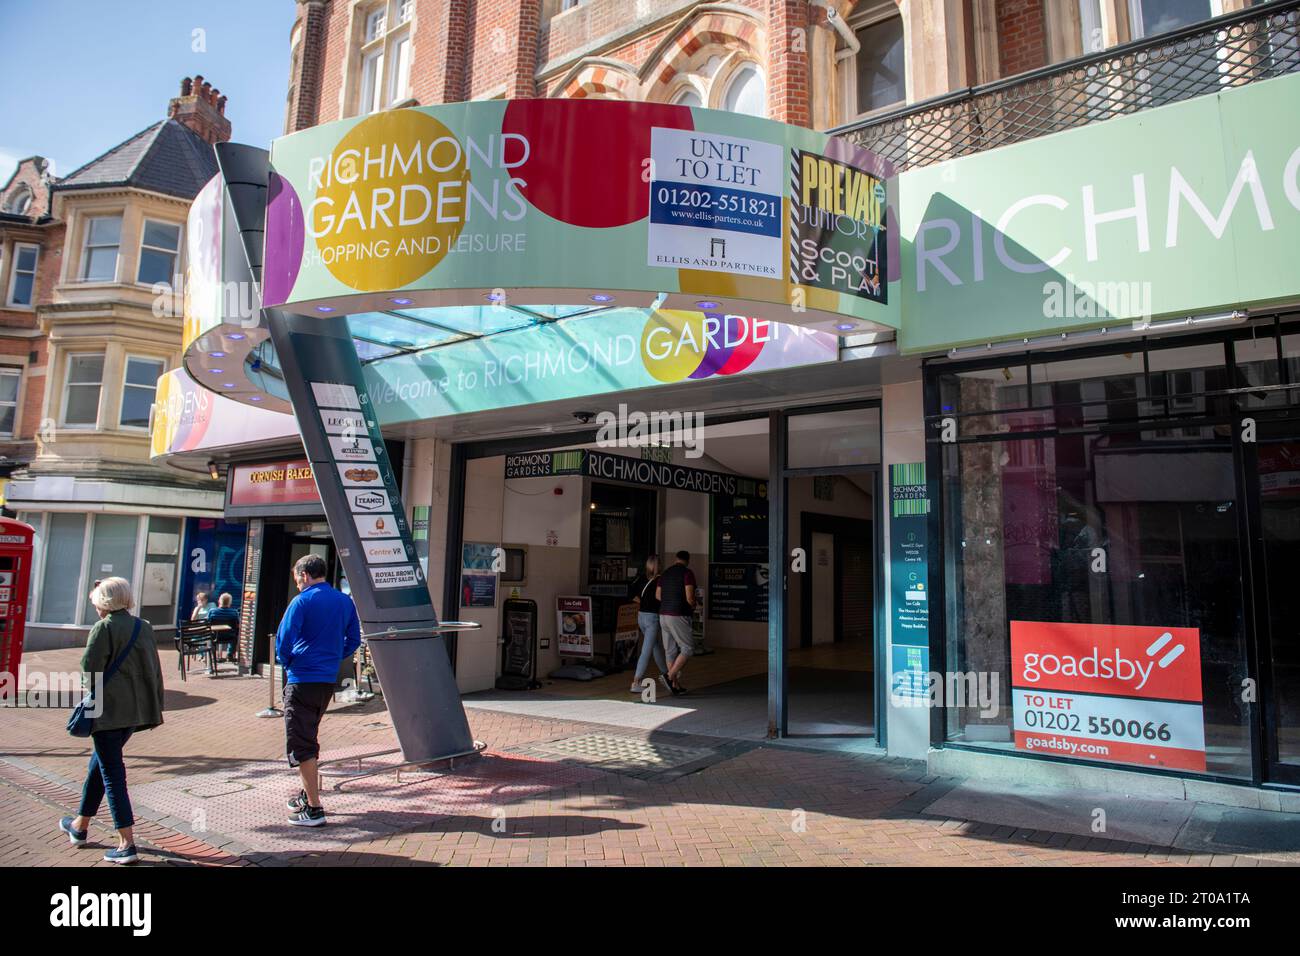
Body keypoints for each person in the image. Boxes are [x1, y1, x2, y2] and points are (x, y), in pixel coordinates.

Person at [59, 577, 165, 865]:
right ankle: (80, 826)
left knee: (112, 773)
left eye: (96, 600)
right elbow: (154, 669)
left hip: (107, 712)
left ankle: (126, 842)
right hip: (135, 712)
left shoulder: (104, 628)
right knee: (101, 764)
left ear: (104, 601)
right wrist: (155, 704)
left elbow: (89, 670)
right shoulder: (143, 626)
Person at [275, 554, 360, 827]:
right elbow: (354, 639)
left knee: (302, 744)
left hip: (302, 678)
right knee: (308, 735)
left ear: (304, 575)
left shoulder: (301, 601)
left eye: (297, 578)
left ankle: (314, 809)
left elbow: (284, 641)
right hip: (325, 681)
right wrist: (334, 656)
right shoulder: (344, 601)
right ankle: (307, 792)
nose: (297, 583)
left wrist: (290, 662)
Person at [628, 555, 676, 694]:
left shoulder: (641, 578)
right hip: (652, 619)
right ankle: (636, 682)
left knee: (655, 647)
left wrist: (642, 603)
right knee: (646, 651)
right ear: (658, 565)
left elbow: (630, 593)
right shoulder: (661, 580)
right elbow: (662, 598)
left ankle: (667, 674)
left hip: (641, 617)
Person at [656, 550, 697, 695]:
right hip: (678, 614)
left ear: (676, 559)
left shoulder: (665, 574)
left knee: (670, 651)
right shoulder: (687, 573)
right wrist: (693, 605)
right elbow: (690, 597)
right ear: (687, 560)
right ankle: (669, 676)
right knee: (688, 648)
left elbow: (658, 595)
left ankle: (675, 686)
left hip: (663, 615)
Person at [205, 592, 240, 662]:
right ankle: (230, 654)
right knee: (236, 633)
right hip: (230, 636)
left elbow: (207, 623)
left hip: (215, 636)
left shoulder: (212, 611)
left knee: (210, 635)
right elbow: (238, 625)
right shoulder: (234, 612)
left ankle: (213, 656)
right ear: (230, 603)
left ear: (219, 601)